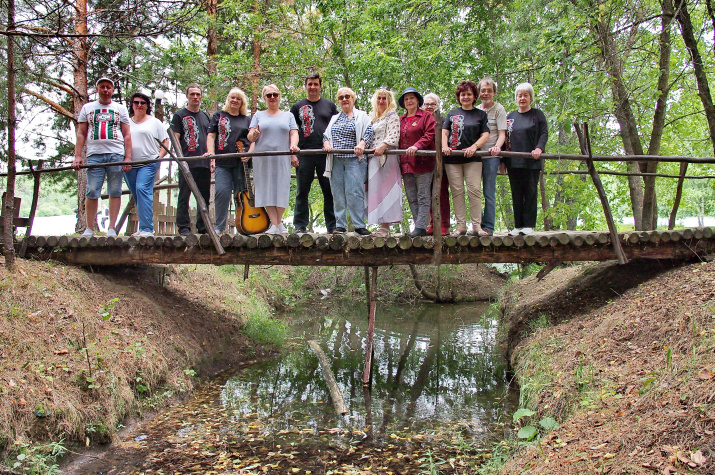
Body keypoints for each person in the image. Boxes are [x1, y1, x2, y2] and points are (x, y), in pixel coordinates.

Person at [73, 77, 132, 238]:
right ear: (97, 89)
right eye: (102, 87)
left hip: (116, 154)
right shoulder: (87, 108)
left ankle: (112, 228)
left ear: (112, 91)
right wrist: (78, 155)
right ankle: (89, 227)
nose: (105, 90)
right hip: (94, 155)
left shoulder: (120, 109)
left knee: (115, 190)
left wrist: (128, 158)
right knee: (92, 190)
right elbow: (81, 133)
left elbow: (127, 134)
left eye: (108, 87)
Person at [246, 84, 299, 234]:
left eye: (275, 94)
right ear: (264, 98)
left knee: (281, 187)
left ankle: (277, 223)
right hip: (263, 157)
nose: (272, 97)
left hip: (282, 156)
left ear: (279, 96)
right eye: (269, 95)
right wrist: (254, 134)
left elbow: (294, 133)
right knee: (265, 188)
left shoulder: (288, 115)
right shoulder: (258, 115)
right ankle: (276, 225)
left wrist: (293, 146)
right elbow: (250, 136)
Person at [290, 73, 339, 233]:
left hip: (326, 154)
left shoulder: (330, 106)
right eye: (310, 84)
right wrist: (293, 154)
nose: (312, 87)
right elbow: (292, 132)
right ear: (306, 86)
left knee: (329, 191)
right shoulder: (297, 107)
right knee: (302, 191)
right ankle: (299, 226)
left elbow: (337, 128)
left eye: (315, 84)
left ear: (320, 86)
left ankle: (332, 226)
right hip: (304, 154)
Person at [441, 80, 490, 236]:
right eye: (463, 94)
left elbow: (486, 134)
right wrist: (445, 146)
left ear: (474, 96)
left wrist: (474, 147)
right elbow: (444, 132)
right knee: (457, 191)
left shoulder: (480, 114)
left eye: (469, 94)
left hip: (473, 159)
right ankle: (461, 226)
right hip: (452, 159)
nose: (466, 97)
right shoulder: (452, 113)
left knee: (474, 190)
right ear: (459, 96)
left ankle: (477, 226)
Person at [322, 87, 374, 235]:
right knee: (337, 193)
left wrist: (362, 144)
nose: (344, 99)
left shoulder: (362, 116)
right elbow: (326, 135)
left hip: (354, 159)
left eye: (347, 96)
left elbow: (369, 131)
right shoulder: (335, 118)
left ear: (353, 99)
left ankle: (359, 225)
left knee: (354, 192)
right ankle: (340, 225)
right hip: (336, 160)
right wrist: (326, 144)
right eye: (341, 97)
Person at [205, 88, 251, 234]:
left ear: (242, 102)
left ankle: (243, 227)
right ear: (228, 99)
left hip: (241, 164)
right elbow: (211, 136)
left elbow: (252, 139)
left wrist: (249, 154)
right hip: (222, 162)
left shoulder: (247, 119)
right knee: (222, 193)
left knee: (241, 195)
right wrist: (211, 153)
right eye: (232, 97)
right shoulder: (219, 116)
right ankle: (219, 227)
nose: (235, 100)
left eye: (238, 98)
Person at [505, 82, 548, 236]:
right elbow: (504, 139)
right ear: (516, 98)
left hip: (531, 160)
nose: (522, 98)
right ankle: (518, 226)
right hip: (513, 162)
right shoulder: (510, 116)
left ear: (531, 98)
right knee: (516, 192)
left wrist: (539, 148)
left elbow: (544, 133)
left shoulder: (537, 115)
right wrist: (503, 161)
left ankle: (529, 225)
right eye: (519, 95)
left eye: (525, 95)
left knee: (530, 191)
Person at [125, 91, 169, 237]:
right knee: (137, 194)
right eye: (136, 102)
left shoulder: (154, 122)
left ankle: (148, 229)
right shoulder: (126, 122)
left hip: (149, 162)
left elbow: (166, 142)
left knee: (142, 188)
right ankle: (143, 227)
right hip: (130, 164)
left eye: (142, 103)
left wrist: (159, 157)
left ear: (147, 106)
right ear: (132, 105)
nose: (139, 105)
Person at [171, 84, 211, 236]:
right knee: (184, 196)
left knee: (204, 197)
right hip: (186, 163)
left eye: (198, 94)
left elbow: (209, 138)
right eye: (192, 94)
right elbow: (175, 137)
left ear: (201, 96)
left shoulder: (206, 116)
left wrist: (211, 159)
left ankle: (203, 227)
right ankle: (183, 227)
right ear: (187, 96)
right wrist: (182, 160)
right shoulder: (179, 116)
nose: (195, 97)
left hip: (204, 163)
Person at [398, 87, 436, 237]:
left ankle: (421, 227)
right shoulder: (400, 119)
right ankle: (418, 228)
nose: (409, 101)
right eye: (406, 99)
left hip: (423, 162)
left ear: (418, 100)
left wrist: (417, 146)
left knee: (423, 196)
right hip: (406, 164)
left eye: (412, 98)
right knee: (411, 196)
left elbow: (430, 134)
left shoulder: (426, 116)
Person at [366, 87, 401, 237]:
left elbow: (394, 135)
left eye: (384, 98)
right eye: (379, 98)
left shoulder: (392, 116)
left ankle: (386, 227)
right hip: (372, 159)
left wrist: (383, 146)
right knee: (375, 191)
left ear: (389, 101)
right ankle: (380, 225)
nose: (381, 101)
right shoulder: (372, 118)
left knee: (387, 190)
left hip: (387, 158)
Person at [477, 77, 507, 236]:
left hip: (491, 156)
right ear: (479, 92)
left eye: (489, 90)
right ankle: (477, 226)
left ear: (494, 92)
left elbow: (502, 133)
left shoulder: (499, 109)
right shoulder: (475, 110)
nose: (486, 93)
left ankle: (488, 226)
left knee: (488, 192)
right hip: (475, 156)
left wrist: (497, 147)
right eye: (483, 90)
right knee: (474, 191)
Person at [423, 93, 450, 236]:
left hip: (441, 164)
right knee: (427, 194)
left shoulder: (443, 121)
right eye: (426, 104)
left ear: (437, 106)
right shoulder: (421, 120)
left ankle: (444, 224)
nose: (429, 107)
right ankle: (433, 224)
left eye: (432, 104)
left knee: (442, 194)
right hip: (425, 163)